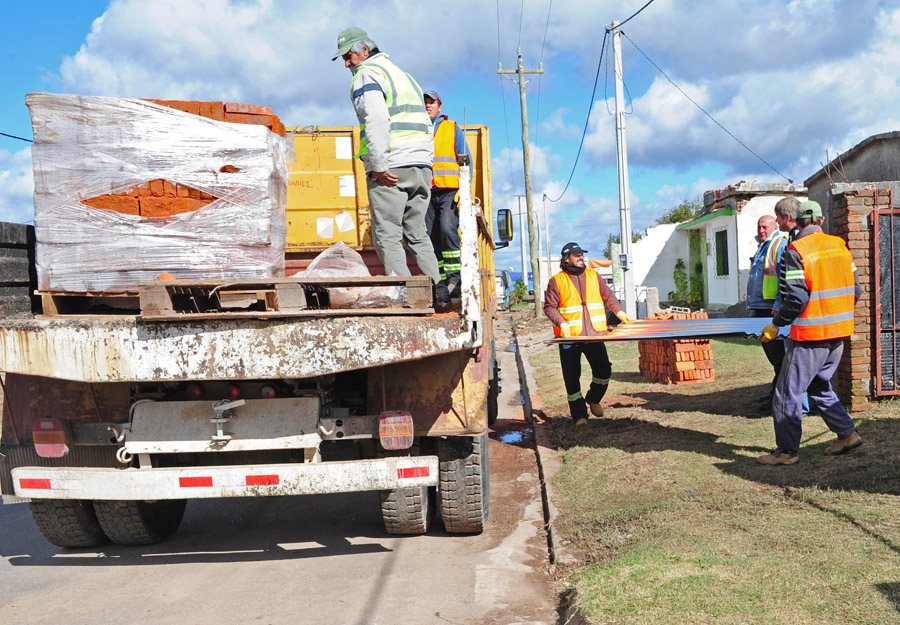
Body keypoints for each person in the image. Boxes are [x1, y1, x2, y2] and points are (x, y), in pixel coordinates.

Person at [332, 27, 449, 306]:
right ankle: (439, 291)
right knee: (417, 232)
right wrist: (426, 163)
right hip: (420, 166)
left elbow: (375, 119)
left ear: (365, 51)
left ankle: (406, 297)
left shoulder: (367, 74)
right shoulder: (404, 76)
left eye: (348, 56)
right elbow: (426, 124)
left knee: (387, 234)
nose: (346, 64)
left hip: (392, 166)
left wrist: (379, 165)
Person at [758, 200, 862, 465]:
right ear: (821, 220)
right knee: (817, 385)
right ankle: (847, 434)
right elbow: (857, 290)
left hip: (811, 336)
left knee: (786, 393)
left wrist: (777, 323)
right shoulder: (840, 246)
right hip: (838, 333)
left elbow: (796, 298)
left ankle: (786, 452)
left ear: (796, 221)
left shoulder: (797, 250)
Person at [544, 242, 632, 426]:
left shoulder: (593, 276)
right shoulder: (556, 281)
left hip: (594, 335)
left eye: (582, 254)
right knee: (571, 378)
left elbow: (608, 296)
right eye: (576, 255)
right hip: (570, 338)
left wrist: (619, 312)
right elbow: (549, 307)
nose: (581, 257)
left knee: (604, 370)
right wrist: (561, 323)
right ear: (566, 259)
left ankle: (593, 398)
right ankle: (579, 416)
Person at [423, 91, 468, 298]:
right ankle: (439, 279)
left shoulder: (452, 128)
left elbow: (465, 159)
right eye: (425, 102)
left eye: (432, 102)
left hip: (449, 190)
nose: (428, 105)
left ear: (439, 107)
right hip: (426, 191)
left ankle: (455, 277)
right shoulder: (417, 130)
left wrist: (465, 192)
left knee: (448, 228)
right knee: (430, 235)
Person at [747, 214, 788, 411]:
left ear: (775, 226)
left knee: (778, 356)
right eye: (759, 227)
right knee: (772, 356)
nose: (761, 230)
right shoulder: (763, 246)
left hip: (771, 309)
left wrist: (778, 305)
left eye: (765, 227)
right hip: (759, 307)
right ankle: (775, 393)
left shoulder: (779, 244)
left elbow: (783, 278)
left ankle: (778, 398)